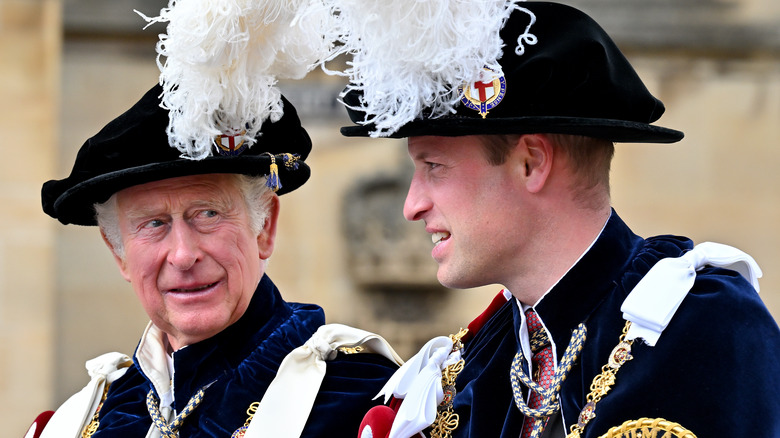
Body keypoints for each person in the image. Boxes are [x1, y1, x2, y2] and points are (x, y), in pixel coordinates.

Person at [324, 1, 780, 437]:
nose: (411, 205)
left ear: (531, 163)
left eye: (434, 168)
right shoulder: (476, 367)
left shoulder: (701, 329)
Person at [25, 2, 402, 437]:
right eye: (153, 224)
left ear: (264, 227)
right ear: (119, 252)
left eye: (207, 214)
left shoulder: (357, 398)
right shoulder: (82, 420)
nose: (183, 255)